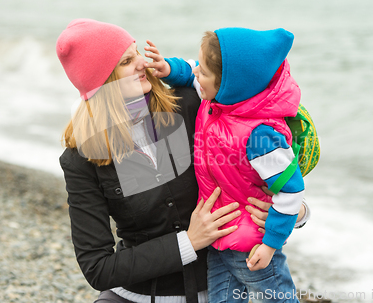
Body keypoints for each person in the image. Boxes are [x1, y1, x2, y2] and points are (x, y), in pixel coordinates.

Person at [56, 19, 273, 303]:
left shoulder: (192, 106)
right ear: (102, 82)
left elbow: (270, 152)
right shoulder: (81, 158)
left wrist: (293, 212)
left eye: (137, 53)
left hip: (222, 289)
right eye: (126, 61)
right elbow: (97, 268)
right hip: (135, 296)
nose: (142, 64)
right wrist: (189, 242)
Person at [146, 27, 307, 303]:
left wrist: (271, 244)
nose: (197, 73)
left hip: (252, 245)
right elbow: (190, 70)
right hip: (220, 238)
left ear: (229, 84)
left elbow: (291, 191)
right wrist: (168, 68)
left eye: (204, 72)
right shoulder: (220, 99)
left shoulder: (259, 135)